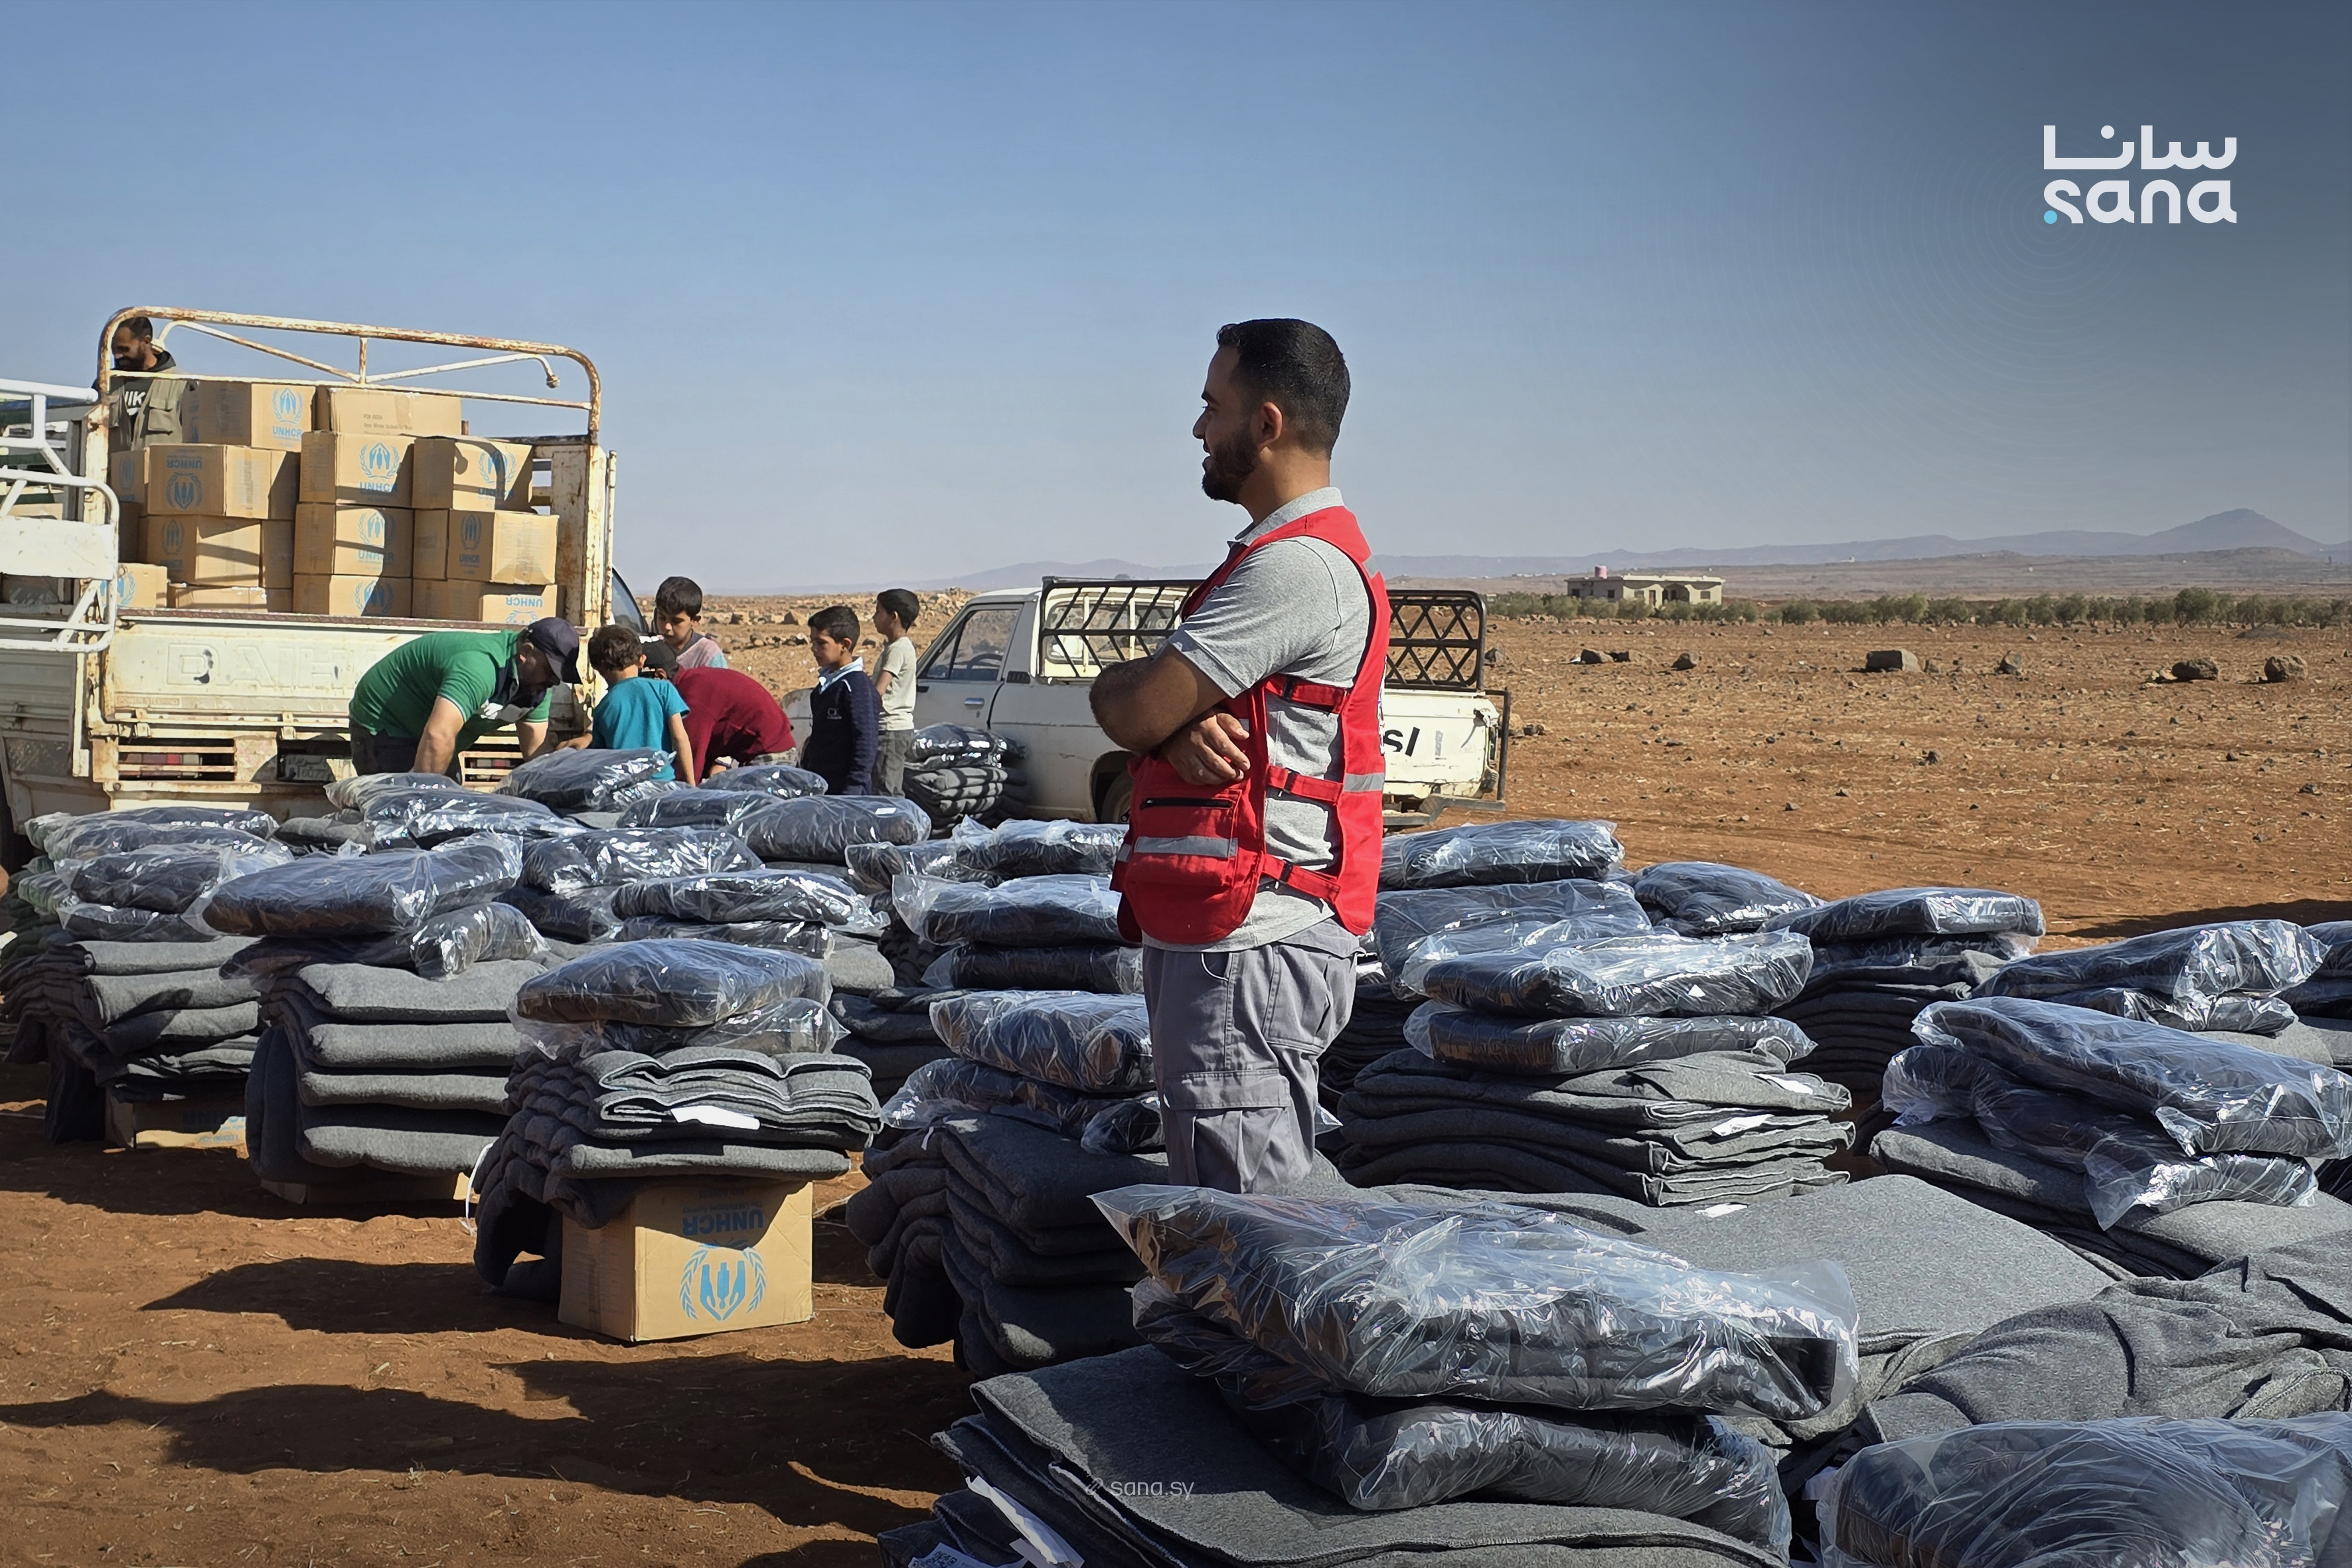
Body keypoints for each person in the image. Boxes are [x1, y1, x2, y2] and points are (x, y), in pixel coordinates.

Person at [1089, 319, 1387, 1194]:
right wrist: (1168, 726)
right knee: (1223, 1215)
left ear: (1265, 423)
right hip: (1235, 933)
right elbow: (1143, 710)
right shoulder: (1280, 558)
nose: (1197, 428)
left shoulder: (1295, 569)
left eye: (1211, 407)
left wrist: (1154, 716)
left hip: (1253, 938)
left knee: (1246, 1228)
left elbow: (1132, 705)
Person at [348, 617, 582, 777]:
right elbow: (438, 735)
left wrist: (572, 770)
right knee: (400, 814)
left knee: (445, 812)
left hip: (434, 733)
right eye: (550, 670)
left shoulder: (537, 687)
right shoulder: (479, 667)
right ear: (526, 652)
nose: (554, 682)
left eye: (559, 676)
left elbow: (536, 752)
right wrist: (424, 800)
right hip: (388, 723)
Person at [581, 624, 696, 783]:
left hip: (623, 788)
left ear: (597, 668)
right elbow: (680, 739)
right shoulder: (664, 689)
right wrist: (691, 785)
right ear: (642, 660)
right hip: (663, 784)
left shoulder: (603, 707)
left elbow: (601, 758)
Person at [800, 604, 880, 795]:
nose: (814, 649)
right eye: (812, 642)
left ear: (845, 645)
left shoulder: (856, 687)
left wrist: (855, 787)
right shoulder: (827, 684)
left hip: (845, 791)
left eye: (821, 643)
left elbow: (866, 741)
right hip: (823, 786)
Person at [674, 663, 795, 778]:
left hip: (769, 754)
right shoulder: (695, 679)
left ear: (663, 676)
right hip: (771, 747)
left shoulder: (693, 696)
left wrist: (681, 788)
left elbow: (690, 761)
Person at [100, 315, 187, 453]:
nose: (117, 356)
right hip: (114, 468)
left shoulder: (182, 385)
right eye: (114, 351)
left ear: (146, 341)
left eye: (124, 349)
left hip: (161, 468)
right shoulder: (106, 384)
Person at [871, 589, 921, 793]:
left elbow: (879, 691)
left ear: (893, 617)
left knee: (887, 791)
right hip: (892, 730)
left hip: (889, 729)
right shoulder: (897, 647)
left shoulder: (897, 649)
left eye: (878, 612)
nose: (874, 617)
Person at [654, 576, 729, 670]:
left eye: (676, 621)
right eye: (662, 618)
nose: (667, 627)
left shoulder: (708, 655)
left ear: (695, 620)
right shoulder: (653, 648)